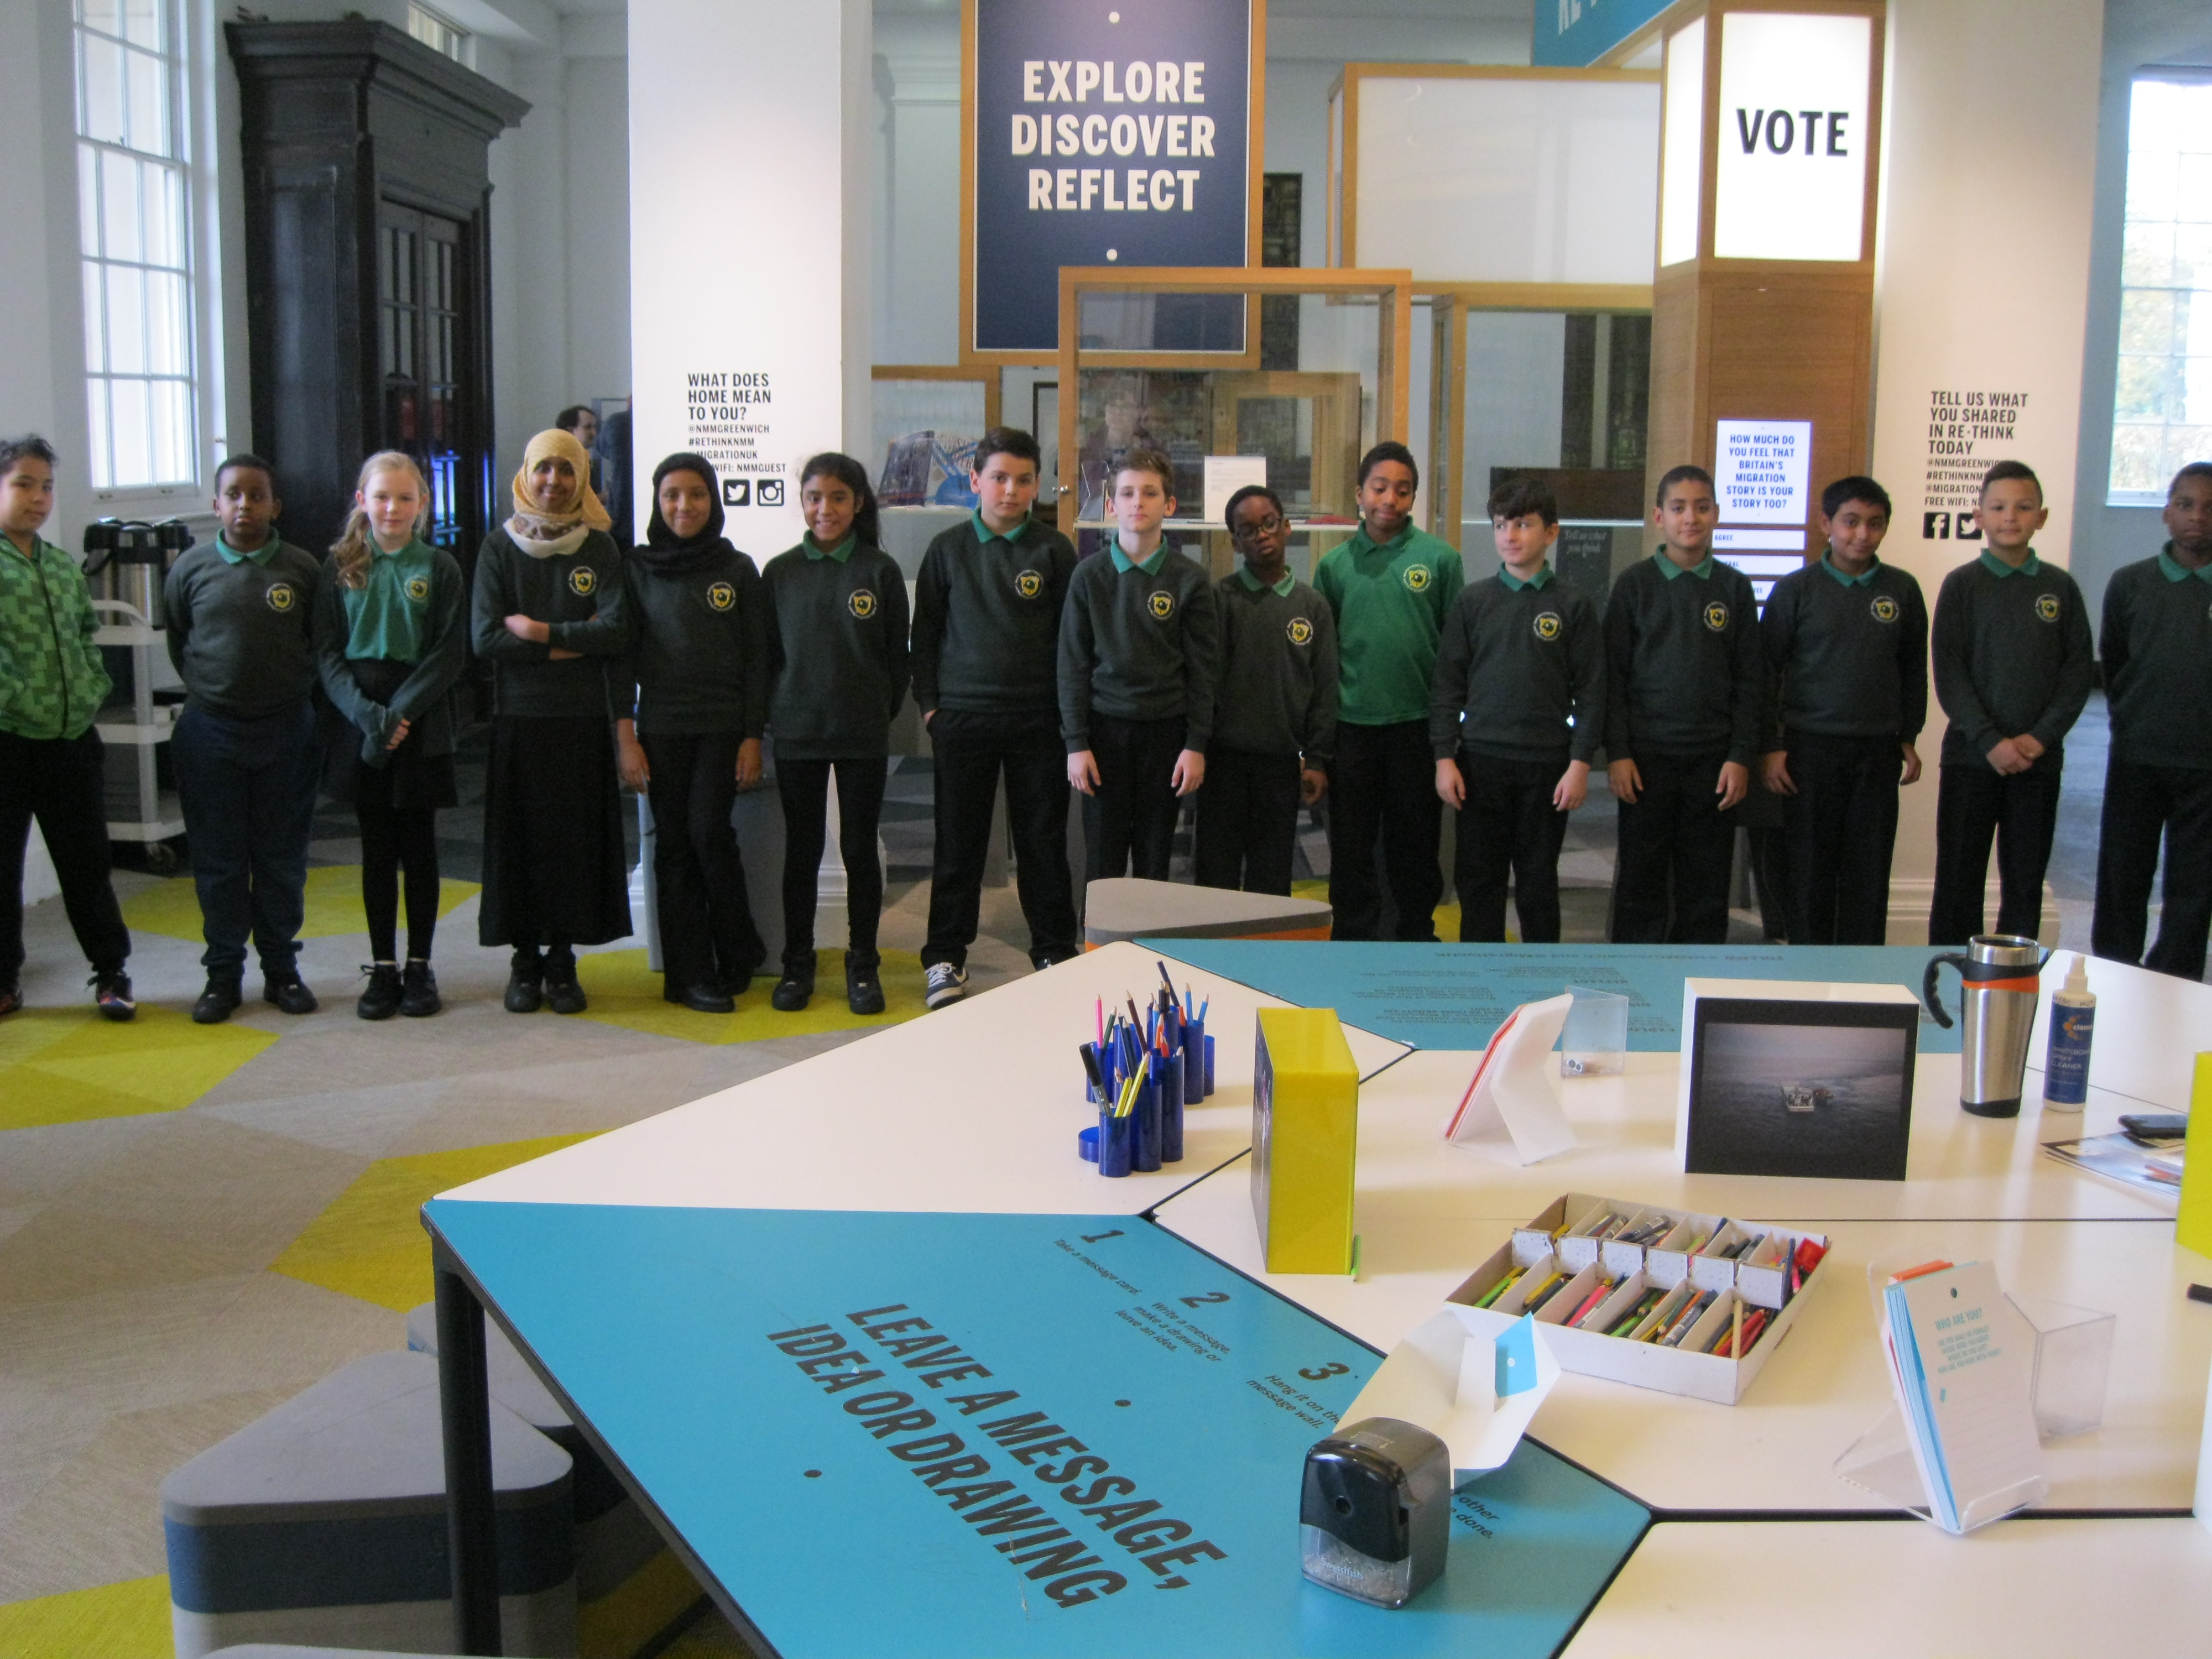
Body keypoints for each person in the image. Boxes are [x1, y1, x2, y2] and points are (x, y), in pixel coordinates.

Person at [910, 427, 1079, 1010]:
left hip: (1038, 720)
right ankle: (945, 957)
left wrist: (1066, 714)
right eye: (999, 478)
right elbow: (925, 635)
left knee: (1042, 843)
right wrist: (931, 706)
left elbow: (1071, 642)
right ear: (975, 481)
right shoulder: (946, 549)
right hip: (963, 718)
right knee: (958, 844)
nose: (1011, 490)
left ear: (1036, 486)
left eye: (1023, 480)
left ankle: (1053, 950)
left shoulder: (1054, 551)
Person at [471, 427, 634, 1014]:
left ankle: (562, 961)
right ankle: (525, 961)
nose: (554, 481)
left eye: (567, 470)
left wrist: (539, 632)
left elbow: (617, 631)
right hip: (520, 718)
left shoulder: (600, 549)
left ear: (582, 478)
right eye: (544, 468)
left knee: (572, 845)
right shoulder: (499, 547)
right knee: (521, 845)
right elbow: (485, 638)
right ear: (526, 473)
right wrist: (572, 645)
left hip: (581, 720)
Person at [166, 453, 324, 1022]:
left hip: (286, 730)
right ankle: (222, 975)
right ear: (216, 505)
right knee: (220, 861)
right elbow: (180, 640)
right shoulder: (190, 569)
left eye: (257, 495)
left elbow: (319, 643)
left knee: (281, 859)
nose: (245, 505)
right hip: (210, 733)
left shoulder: (303, 569)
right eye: (233, 494)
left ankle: (281, 970)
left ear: (275, 506)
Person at [314, 451, 467, 1020]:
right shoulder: (340, 565)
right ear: (363, 501)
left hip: (420, 716)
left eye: (405, 498)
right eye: (381, 497)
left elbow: (448, 652)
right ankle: (382, 967)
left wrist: (399, 714)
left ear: (423, 503)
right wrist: (368, 716)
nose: (393, 508)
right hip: (359, 715)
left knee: (420, 845)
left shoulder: (441, 567)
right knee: (376, 848)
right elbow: (327, 653)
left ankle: (420, 965)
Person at [616, 453, 770, 1014]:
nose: (685, 506)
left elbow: (758, 659)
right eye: (672, 495)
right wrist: (626, 738)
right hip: (661, 727)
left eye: (697, 494)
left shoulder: (738, 568)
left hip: (722, 727)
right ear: (657, 502)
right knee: (673, 846)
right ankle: (689, 973)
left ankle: (738, 949)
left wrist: (752, 736)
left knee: (709, 835)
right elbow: (620, 658)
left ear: (714, 500)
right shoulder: (636, 568)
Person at [762, 453, 909, 1016]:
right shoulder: (779, 572)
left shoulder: (880, 571)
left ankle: (863, 962)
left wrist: (872, 711)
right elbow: (766, 657)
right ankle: (797, 962)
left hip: (861, 734)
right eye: (814, 497)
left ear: (858, 503)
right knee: (802, 851)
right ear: (802, 502)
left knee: (859, 849)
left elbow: (896, 661)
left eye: (838, 498)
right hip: (797, 732)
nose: (825, 509)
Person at [1430, 476, 1602, 944]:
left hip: (1547, 766)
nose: (1510, 535)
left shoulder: (1573, 604)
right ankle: (1480, 974)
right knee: (1478, 880)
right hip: (1481, 763)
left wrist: (1581, 763)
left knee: (1538, 882)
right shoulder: (1473, 602)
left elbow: (1592, 691)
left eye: (1523, 524)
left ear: (1551, 533)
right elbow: (1447, 686)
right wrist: (1444, 757)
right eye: (1501, 525)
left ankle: (1541, 977)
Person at [1927, 460, 2093, 945]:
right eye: (1998, 507)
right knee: (1958, 878)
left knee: (2024, 880)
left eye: (2023, 507)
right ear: (1979, 516)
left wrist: (2040, 738)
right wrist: (1989, 741)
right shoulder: (1962, 585)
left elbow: (2077, 671)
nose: (2010, 517)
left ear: (2041, 517)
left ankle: (2013, 975)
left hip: (2037, 762)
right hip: (1971, 758)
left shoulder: (2059, 587)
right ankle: (1951, 971)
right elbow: (1950, 672)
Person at [1759, 476, 1928, 946]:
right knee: (1808, 867)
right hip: (1808, 749)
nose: (1862, 534)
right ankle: (1807, 962)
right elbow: (1766, 673)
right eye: (1851, 522)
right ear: (1826, 524)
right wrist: (1771, 746)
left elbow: (1913, 669)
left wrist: (1908, 736)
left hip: (1877, 750)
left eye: (1875, 524)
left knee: (1869, 869)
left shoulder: (1902, 589)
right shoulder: (1796, 590)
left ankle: (1863, 967)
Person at [0, 435, 134, 1020]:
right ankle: (5, 978)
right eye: (23, 484)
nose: (38, 498)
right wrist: (19, 700)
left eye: (47, 486)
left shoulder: (58, 564)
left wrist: (89, 688)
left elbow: (84, 635)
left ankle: (111, 972)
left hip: (72, 740)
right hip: (8, 741)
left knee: (87, 865)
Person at [1603, 465, 1761, 945]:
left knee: (1706, 884)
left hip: (1713, 760)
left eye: (1702, 507)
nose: (1690, 518)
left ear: (1716, 514)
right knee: (1641, 879)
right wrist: (1618, 753)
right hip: (1646, 759)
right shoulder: (1634, 585)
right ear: (1659, 517)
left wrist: (1740, 755)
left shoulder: (1734, 588)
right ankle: (1635, 976)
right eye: (1678, 508)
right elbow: (1612, 678)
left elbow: (1750, 681)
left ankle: (1698, 976)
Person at [1314, 441, 1464, 941]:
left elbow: (1454, 652)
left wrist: (1448, 734)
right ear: (1360, 494)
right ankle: (1354, 936)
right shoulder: (1334, 566)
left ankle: (1414, 933)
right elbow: (1324, 659)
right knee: (1351, 845)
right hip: (1352, 729)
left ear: (1414, 497)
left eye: (1402, 490)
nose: (1390, 500)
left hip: (1416, 728)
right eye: (1379, 488)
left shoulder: (1440, 559)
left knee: (1415, 843)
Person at [1058, 444, 1218, 884]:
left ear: (1169, 504)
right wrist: (1076, 743)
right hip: (1103, 732)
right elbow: (1072, 666)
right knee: (1103, 858)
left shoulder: (1190, 580)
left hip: (1166, 734)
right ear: (1111, 506)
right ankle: (1099, 931)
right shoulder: (1088, 576)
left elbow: (1204, 670)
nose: (1138, 503)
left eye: (1150, 493)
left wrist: (1196, 743)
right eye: (1127, 494)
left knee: (1154, 856)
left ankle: (1150, 931)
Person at [2090, 461, 2212, 979]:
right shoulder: (2130, 584)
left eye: (2209, 508)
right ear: (2167, 512)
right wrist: (2131, 718)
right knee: (2123, 872)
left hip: (2205, 764)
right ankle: (2116, 973)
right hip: (2138, 754)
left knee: (2195, 883)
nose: (2198, 517)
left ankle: (2175, 979)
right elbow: (2114, 662)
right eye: (2185, 505)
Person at [1196, 483, 1337, 896]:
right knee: (1216, 873)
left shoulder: (1312, 606)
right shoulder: (1220, 599)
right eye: (1248, 529)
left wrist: (1317, 758)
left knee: (1272, 875)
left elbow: (1324, 688)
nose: (1261, 535)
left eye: (1269, 523)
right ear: (1235, 542)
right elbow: (1204, 681)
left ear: (1286, 527)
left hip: (1281, 761)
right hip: (1223, 761)